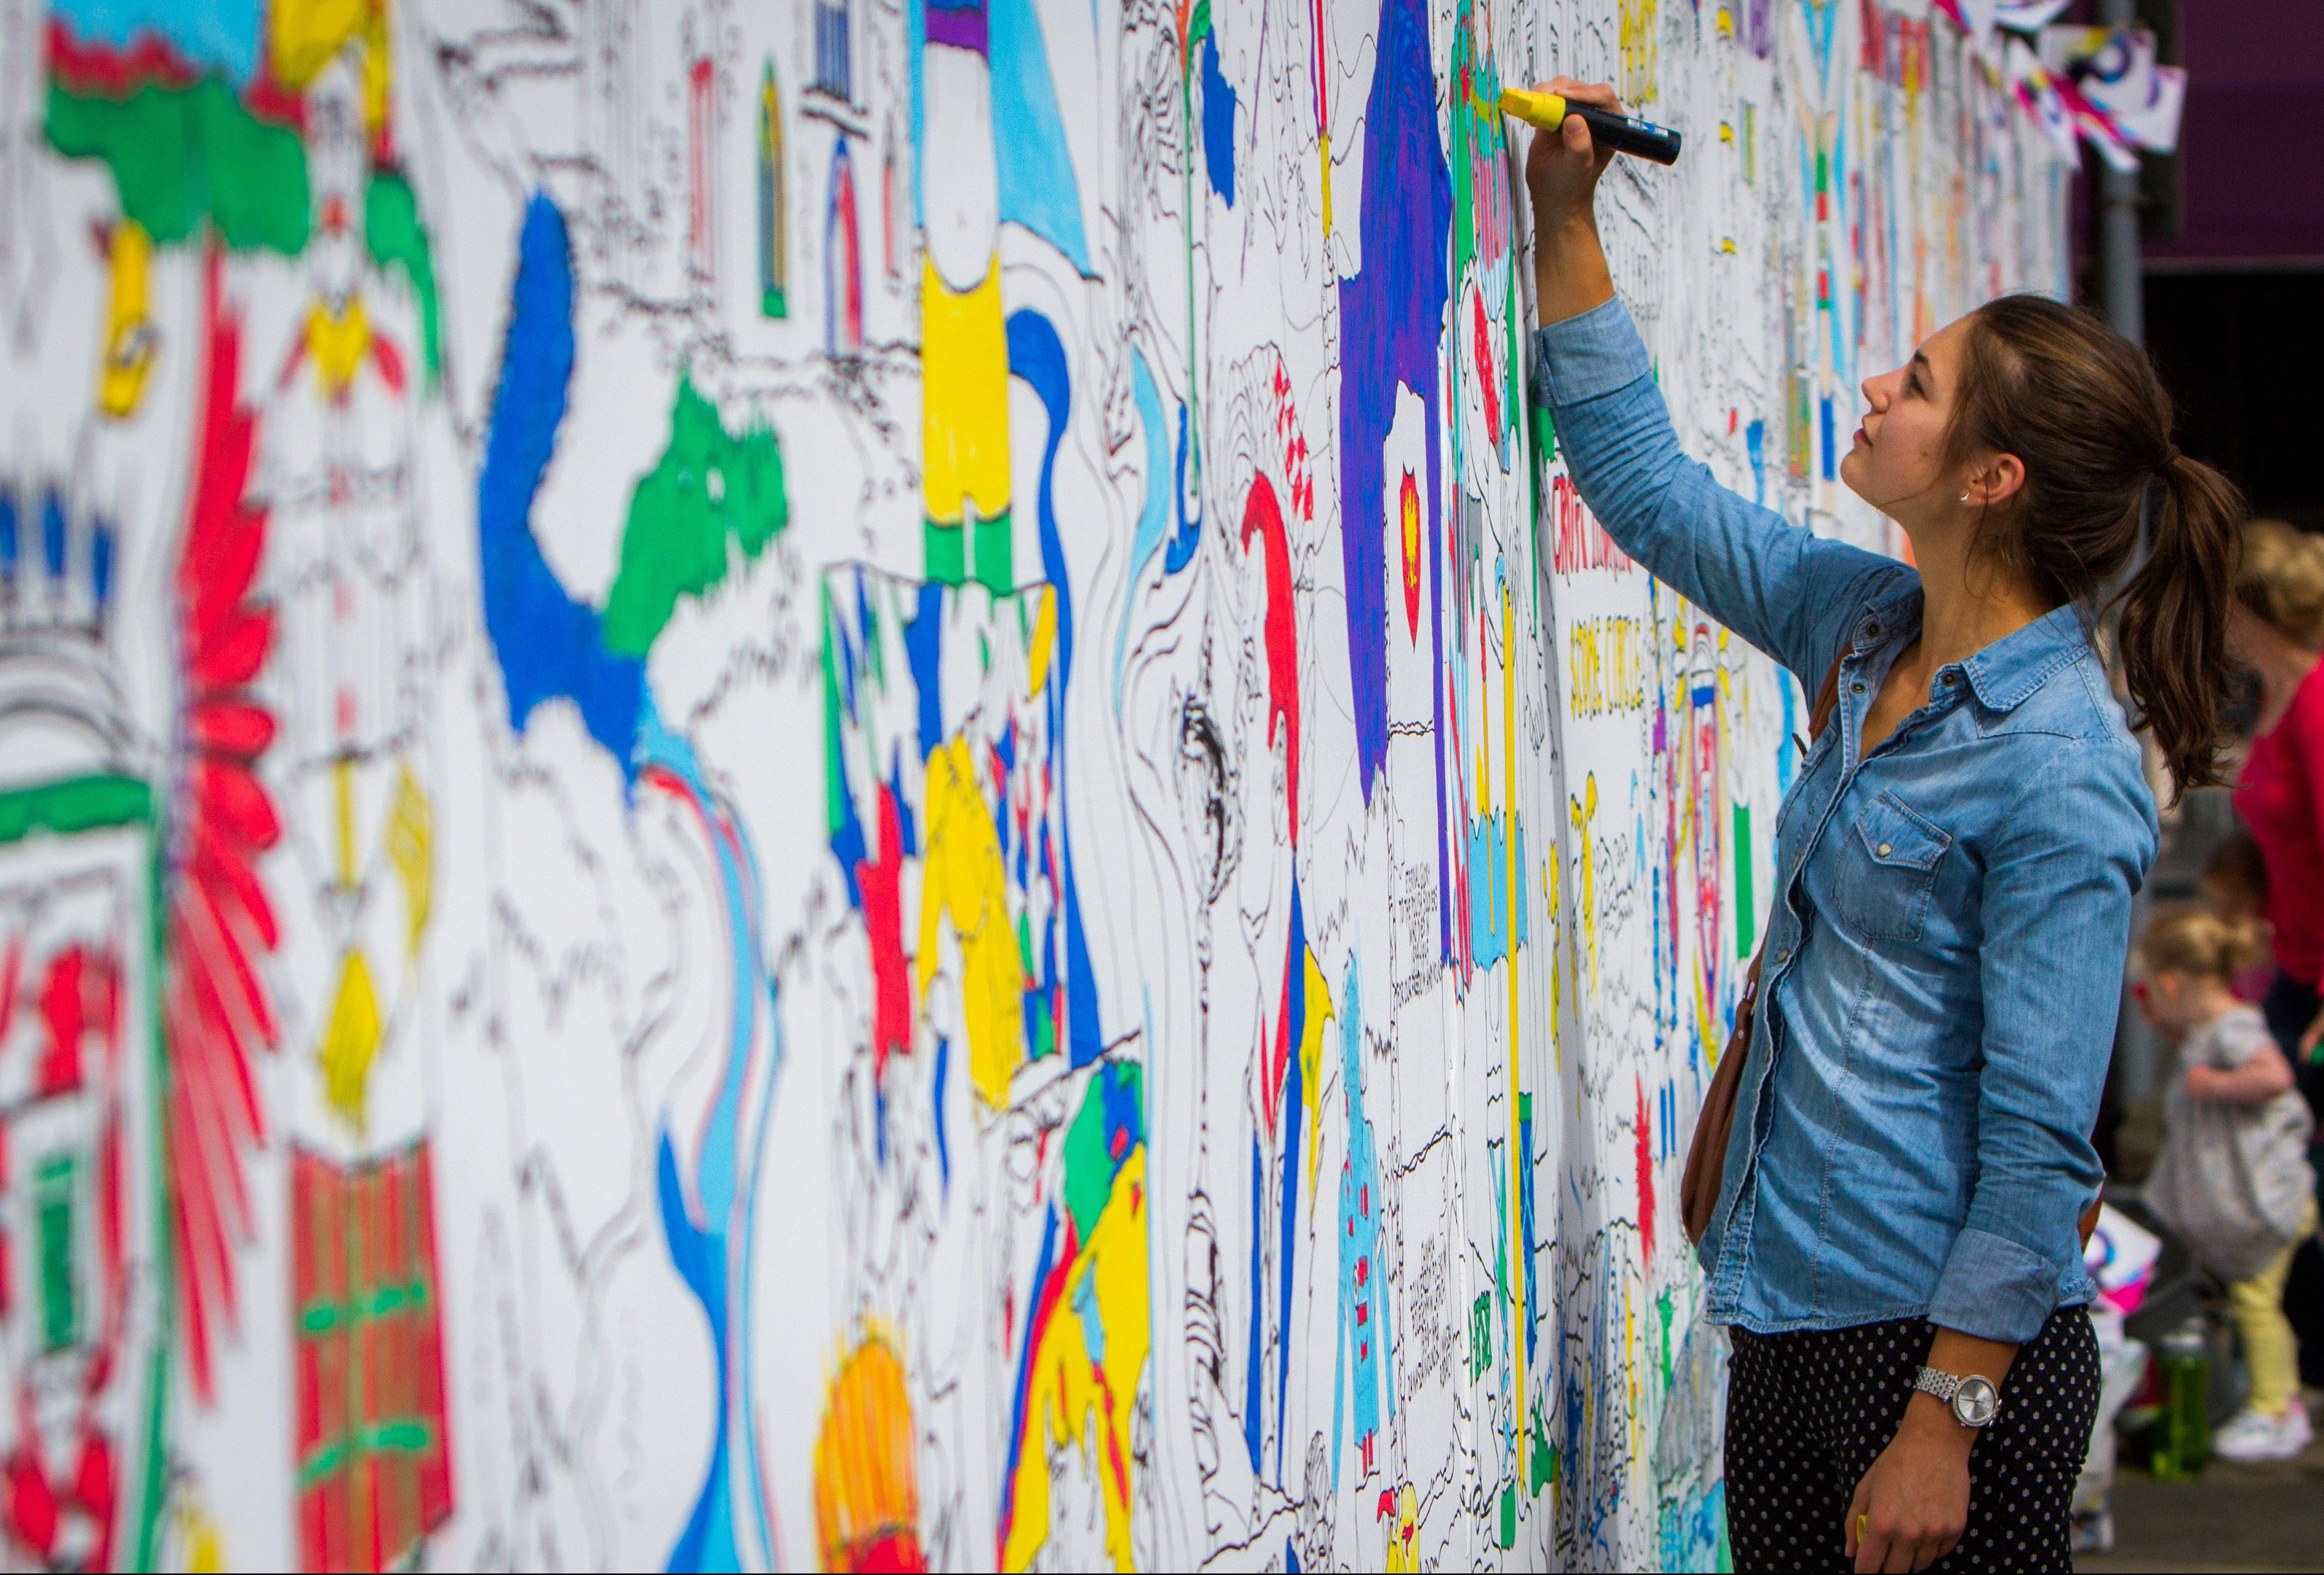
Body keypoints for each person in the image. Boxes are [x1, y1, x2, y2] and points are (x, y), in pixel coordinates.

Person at [1522, 79, 2244, 1574]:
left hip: (1932, 1355)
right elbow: (1652, 495)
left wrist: (1944, 1419)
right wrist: (1563, 217)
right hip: (1787, 1310)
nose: (1873, 392)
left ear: (1992, 479)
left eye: (1914, 384)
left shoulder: (2061, 768)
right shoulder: (1862, 631)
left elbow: (2046, 1134)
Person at [2133, 902, 2317, 1461]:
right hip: (2259, 1197)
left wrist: (2212, 1082)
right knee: (2249, 1303)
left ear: (2170, 982)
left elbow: (2274, 1075)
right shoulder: (2209, 1027)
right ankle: (2264, 1398)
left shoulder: (2231, 1028)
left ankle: (2275, 1408)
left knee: (2256, 1304)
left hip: (2268, 1200)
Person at [2200, 833, 2276, 1004]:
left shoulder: (2268, 937)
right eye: (2217, 903)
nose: (2224, 915)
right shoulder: (2219, 941)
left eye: (2234, 903)